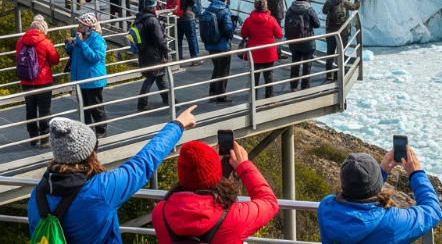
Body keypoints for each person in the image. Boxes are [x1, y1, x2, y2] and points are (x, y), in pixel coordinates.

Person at [28, 106, 197, 244]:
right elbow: (144, 162)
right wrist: (177, 125)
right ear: (90, 153)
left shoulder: (38, 194)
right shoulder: (101, 190)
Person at [152, 139, 279, 244]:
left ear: (181, 174)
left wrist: (210, 166)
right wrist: (244, 166)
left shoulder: (160, 213)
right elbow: (269, 202)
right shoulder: (234, 217)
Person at [318, 146, 441, 244]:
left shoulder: (326, 208)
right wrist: (416, 173)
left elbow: (359, 192)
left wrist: (380, 173)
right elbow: (432, 210)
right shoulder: (392, 222)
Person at [16, 15, 60, 148]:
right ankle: (45, 139)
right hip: (43, 80)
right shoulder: (46, 42)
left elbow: (18, 57)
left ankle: (33, 138)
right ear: (43, 29)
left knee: (30, 110)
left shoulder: (20, 41)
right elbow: (55, 59)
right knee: (44, 110)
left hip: (26, 80)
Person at [65, 13, 108, 137]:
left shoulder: (97, 39)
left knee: (96, 107)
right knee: (84, 108)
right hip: (81, 78)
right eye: (79, 24)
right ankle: (87, 131)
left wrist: (81, 43)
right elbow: (75, 54)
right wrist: (69, 45)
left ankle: (101, 131)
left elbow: (96, 57)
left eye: (82, 25)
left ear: (90, 27)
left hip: (93, 79)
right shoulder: (81, 38)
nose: (79, 27)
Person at [240, 0, 283, 98]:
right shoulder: (271, 20)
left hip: (254, 53)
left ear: (255, 6)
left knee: (254, 78)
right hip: (268, 52)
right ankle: (269, 98)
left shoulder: (249, 20)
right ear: (266, 6)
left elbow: (243, 34)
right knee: (269, 76)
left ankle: (254, 99)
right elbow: (280, 35)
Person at [134, 0, 171, 112]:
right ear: (154, 7)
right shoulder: (152, 20)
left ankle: (168, 99)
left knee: (159, 76)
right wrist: (165, 53)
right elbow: (160, 40)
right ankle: (142, 103)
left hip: (143, 52)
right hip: (154, 54)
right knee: (152, 77)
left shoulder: (139, 18)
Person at [201, 0, 235, 104]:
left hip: (211, 45)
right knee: (223, 71)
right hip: (223, 46)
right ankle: (221, 96)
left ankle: (212, 92)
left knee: (216, 68)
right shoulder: (224, 11)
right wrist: (233, 24)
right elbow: (228, 29)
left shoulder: (209, 9)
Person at [321, 0, 360, 79]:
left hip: (330, 29)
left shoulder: (330, 0)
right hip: (343, 30)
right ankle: (338, 74)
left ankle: (329, 74)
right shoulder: (344, 2)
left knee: (330, 52)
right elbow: (355, 6)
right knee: (341, 52)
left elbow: (324, 11)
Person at [285, 0, 321, 91]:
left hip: (294, 41)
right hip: (307, 41)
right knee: (307, 66)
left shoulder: (290, 9)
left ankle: (293, 86)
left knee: (295, 64)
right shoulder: (309, 9)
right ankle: (305, 88)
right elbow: (317, 24)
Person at [167, 0, 201, 64]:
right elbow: (193, 1)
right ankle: (194, 59)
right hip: (187, 16)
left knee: (178, 38)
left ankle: (178, 58)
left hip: (175, 16)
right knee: (191, 37)